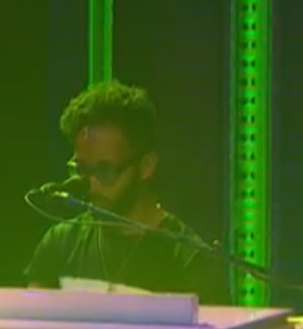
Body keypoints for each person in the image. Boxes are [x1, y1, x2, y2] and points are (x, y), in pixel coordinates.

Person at [25, 80, 231, 303]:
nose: (91, 185)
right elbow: (33, 318)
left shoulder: (190, 259)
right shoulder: (60, 243)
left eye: (105, 172)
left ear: (146, 166)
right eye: (81, 169)